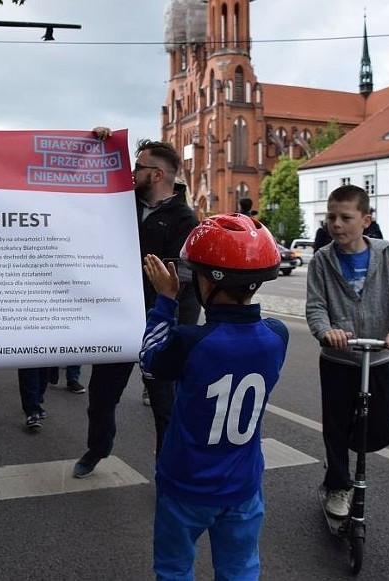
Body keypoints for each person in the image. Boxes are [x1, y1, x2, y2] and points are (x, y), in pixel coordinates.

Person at [140, 213, 287, 580]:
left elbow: (149, 363)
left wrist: (165, 301)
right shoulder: (277, 336)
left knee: (174, 568)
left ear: (207, 283)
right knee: (240, 570)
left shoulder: (192, 342)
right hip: (242, 485)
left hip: (185, 483)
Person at [73, 128, 200, 479]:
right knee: (101, 396)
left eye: (138, 168)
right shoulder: (122, 202)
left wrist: (177, 331)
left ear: (157, 175)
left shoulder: (185, 221)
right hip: (118, 320)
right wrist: (100, 144)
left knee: (165, 405)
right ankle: (98, 448)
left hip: (158, 325)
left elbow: (183, 280)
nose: (131, 173)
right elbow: (87, 188)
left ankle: (167, 468)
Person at [306, 184, 389, 518]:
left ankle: (340, 456)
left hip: (380, 355)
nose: (336, 224)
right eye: (331, 217)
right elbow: (315, 307)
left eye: (345, 217)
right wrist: (326, 332)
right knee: (336, 425)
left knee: (377, 426)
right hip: (339, 359)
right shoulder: (322, 260)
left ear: (365, 220)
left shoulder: (385, 254)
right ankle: (338, 484)